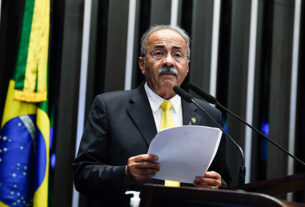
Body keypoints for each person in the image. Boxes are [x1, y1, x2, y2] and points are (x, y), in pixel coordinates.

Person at [73, 25, 231, 206]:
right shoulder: (109, 107)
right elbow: (83, 175)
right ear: (142, 64)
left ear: (186, 67)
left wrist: (214, 185)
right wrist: (124, 174)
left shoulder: (209, 115)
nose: (169, 61)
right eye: (159, 53)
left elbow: (223, 179)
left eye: (177, 55)